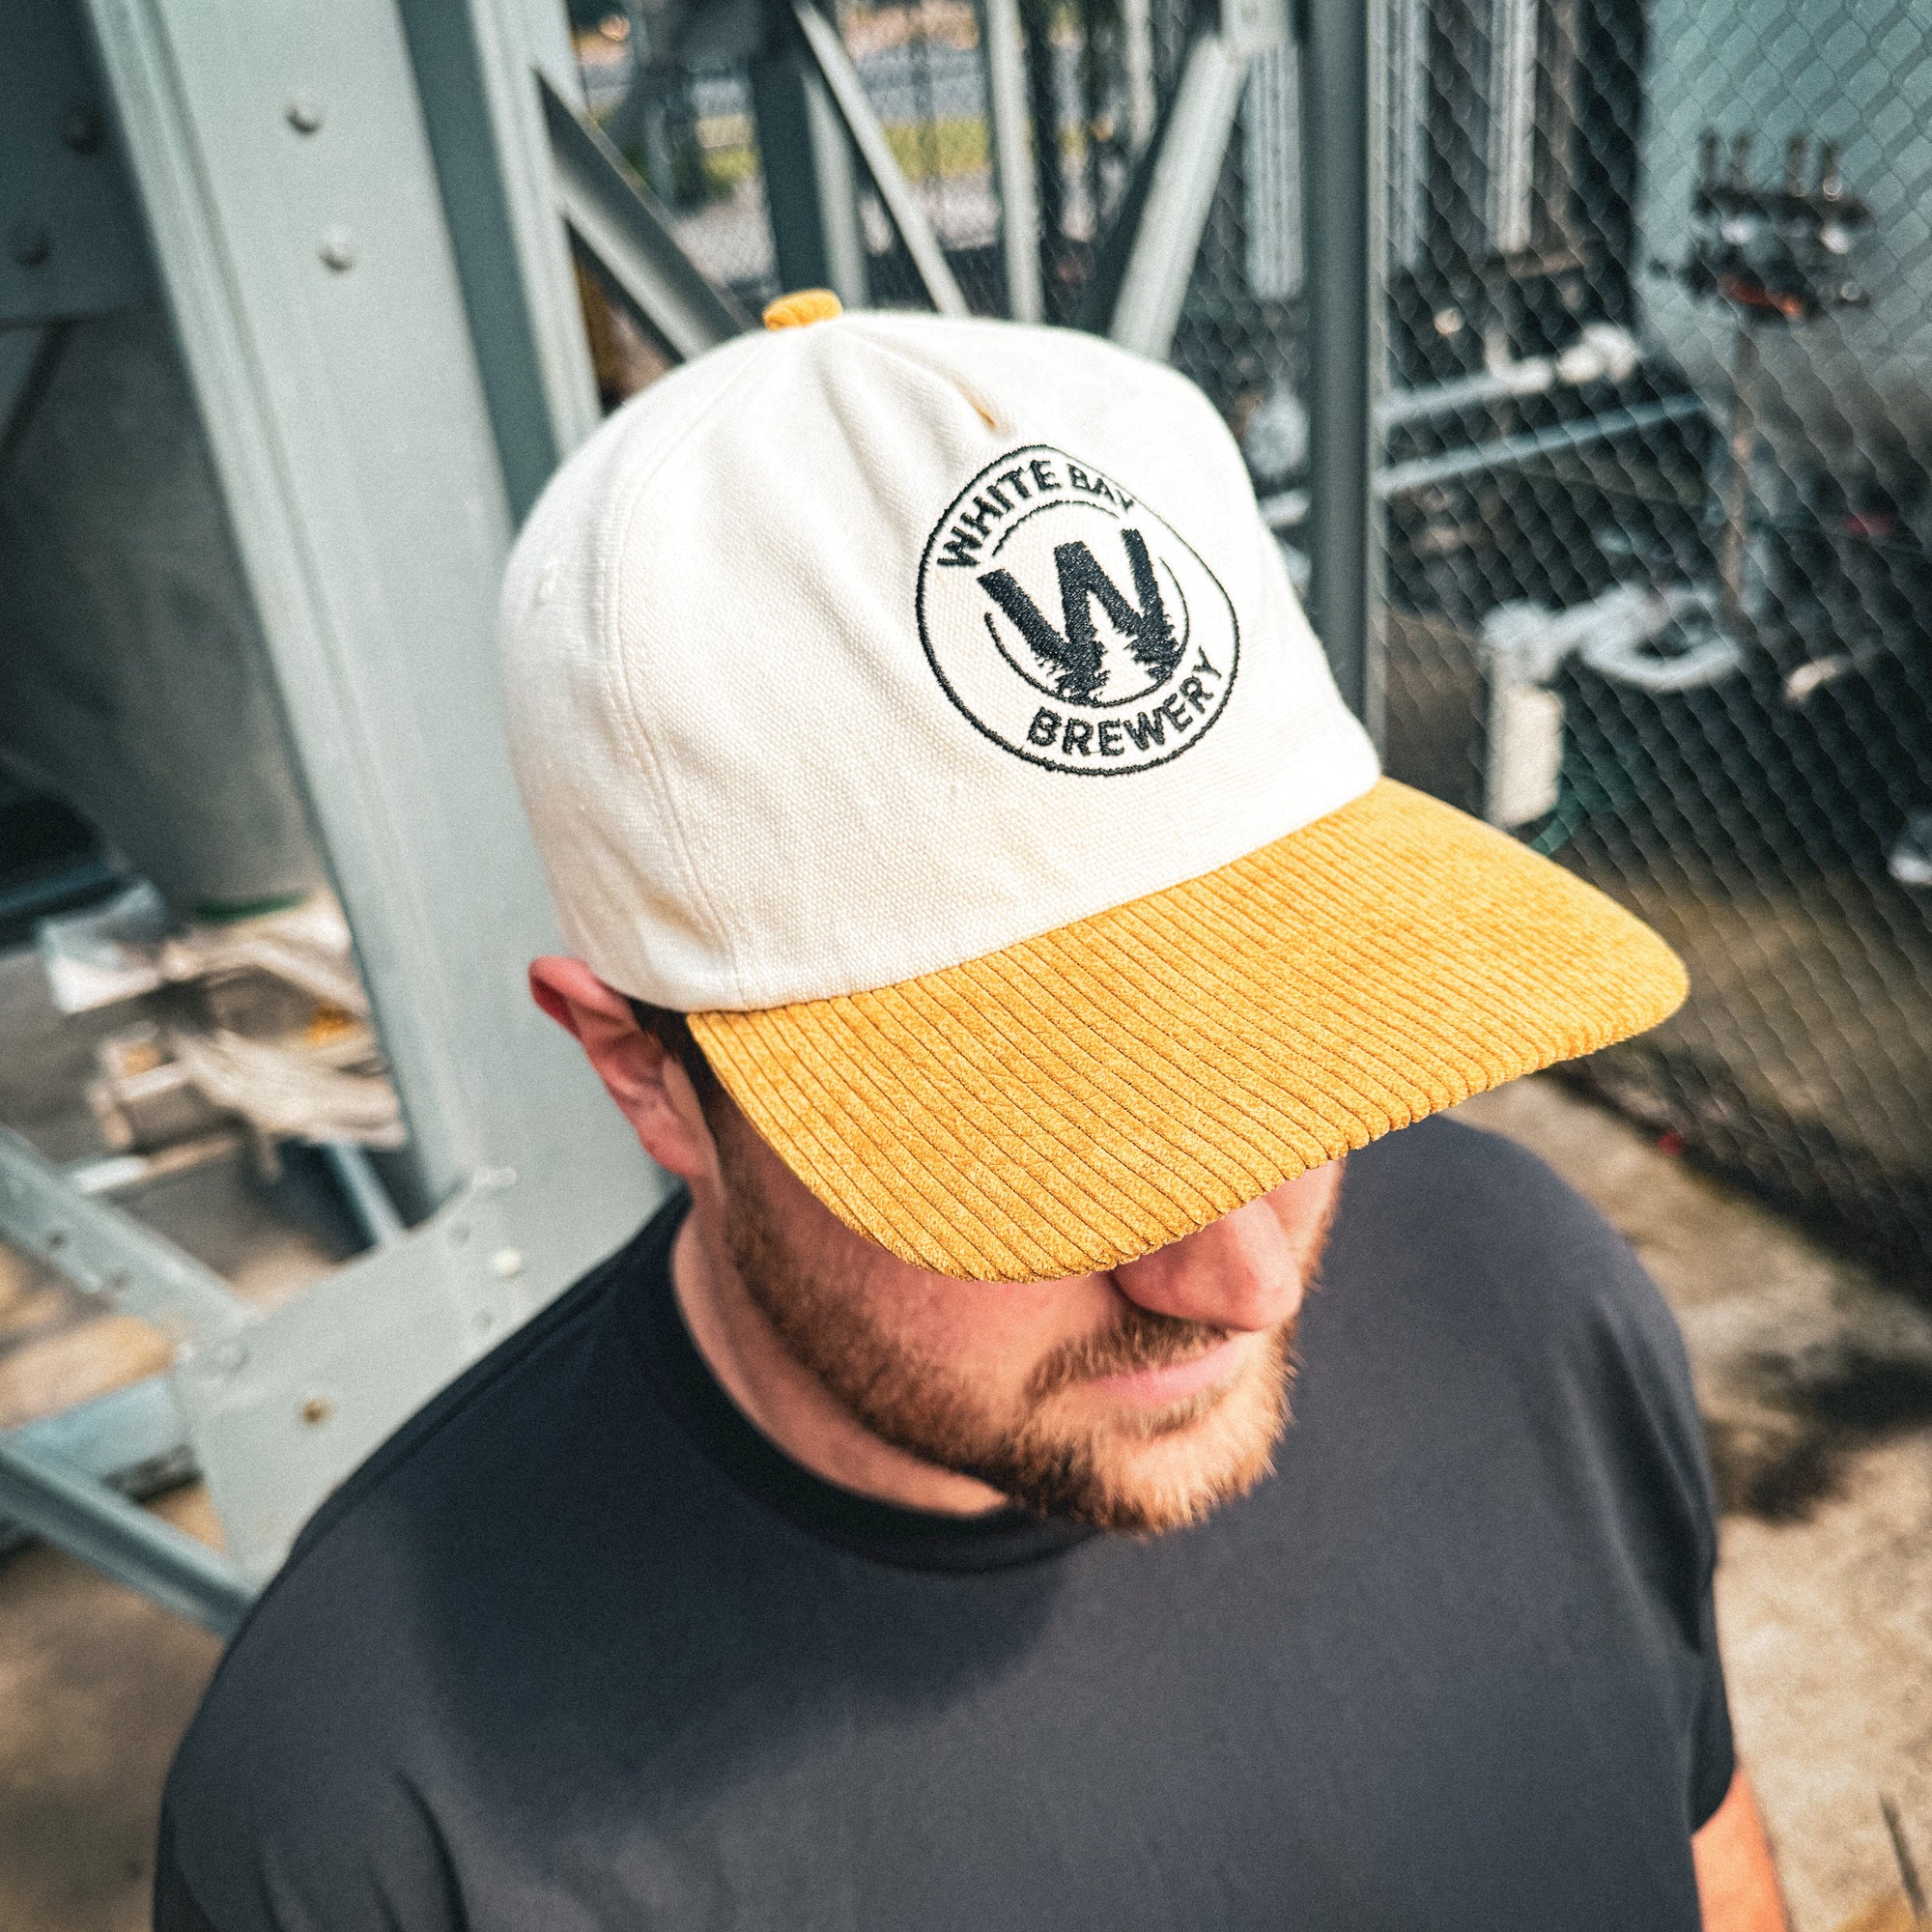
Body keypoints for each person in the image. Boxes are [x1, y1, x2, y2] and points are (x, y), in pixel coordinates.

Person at [156, 293, 1785, 1930]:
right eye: (1048, 1147)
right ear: (645, 1073)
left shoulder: (1533, 1305)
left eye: (1290, 1048)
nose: (1253, 1282)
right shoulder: (372, 1813)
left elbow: (1707, 1862)